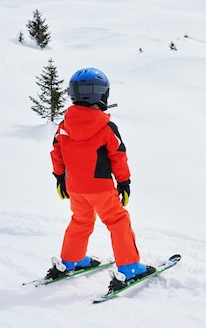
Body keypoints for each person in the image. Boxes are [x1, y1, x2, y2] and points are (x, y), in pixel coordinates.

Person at [47, 67, 154, 287]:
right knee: (118, 221)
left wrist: (60, 179)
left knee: (81, 221)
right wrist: (124, 183)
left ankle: (70, 261)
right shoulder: (106, 127)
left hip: (75, 187)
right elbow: (118, 157)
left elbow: (56, 153)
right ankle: (129, 266)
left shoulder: (63, 126)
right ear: (101, 94)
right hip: (101, 188)